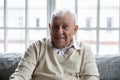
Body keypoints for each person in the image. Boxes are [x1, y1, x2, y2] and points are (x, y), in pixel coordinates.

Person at [9, 8, 99, 80]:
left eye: (65, 27)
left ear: (75, 29)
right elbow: (21, 75)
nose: (59, 32)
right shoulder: (36, 48)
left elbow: (91, 77)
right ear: (50, 27)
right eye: (55, 26)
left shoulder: (85, 50)